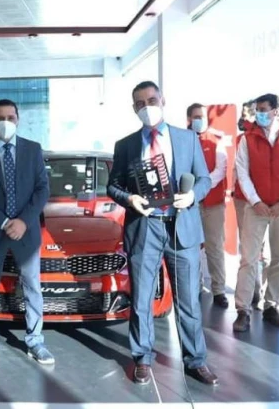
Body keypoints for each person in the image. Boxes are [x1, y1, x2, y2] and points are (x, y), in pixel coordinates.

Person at [108, 81, 218, 386]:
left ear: (163, 100)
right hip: (145, 228)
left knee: (189, 301)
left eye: (151, 100)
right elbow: (113, 186)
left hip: (181, 227)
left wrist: (192, 195)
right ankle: (142, 358)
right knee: (142, 298)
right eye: (140, 103)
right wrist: (129, 199)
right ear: (134, 108)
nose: (147, 107)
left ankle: (195, 361)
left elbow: (205, 179)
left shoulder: (187, 139)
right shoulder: (126, 145)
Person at [0, 99, 52, 367]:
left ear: (18, 119)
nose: (6, 122)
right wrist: (4, 222)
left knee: (32, 286)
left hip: (26, 230)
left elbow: (42, 189)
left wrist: (23, 221)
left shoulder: (33, 149)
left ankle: (35, 341)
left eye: (10, 117)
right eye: (0, 117)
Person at [233, 93, 279, 332]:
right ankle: (243, 310)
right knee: (248, 259)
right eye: (257, 110)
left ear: (276, 110)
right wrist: (255, 202)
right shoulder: (248, 138)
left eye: (264, 109)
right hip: (255, 208)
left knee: (278, 258)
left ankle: (272, 306)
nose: (259, 114)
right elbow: (242, 173)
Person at [187, 103, 228, 308]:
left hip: (213, 203)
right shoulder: (182, 140)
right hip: (190, 205)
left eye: (202, 116)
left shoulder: (217, 140)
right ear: (189, 119)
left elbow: (221, 170)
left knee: (215, 248)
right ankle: (195, 287)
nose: (200, 120)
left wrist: (199, 188)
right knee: (192, 247)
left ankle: (218, 290)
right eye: (196, 116)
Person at [233, 111, 265, 310]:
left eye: (249, 116)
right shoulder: (241, 140)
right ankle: (250, 294)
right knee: (248, 250)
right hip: (243, 200)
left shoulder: (274, 139)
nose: (244, 120)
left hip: (267, 202)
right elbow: (238, 170)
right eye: (242, 115)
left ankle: (263, 293)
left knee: (266, 252)